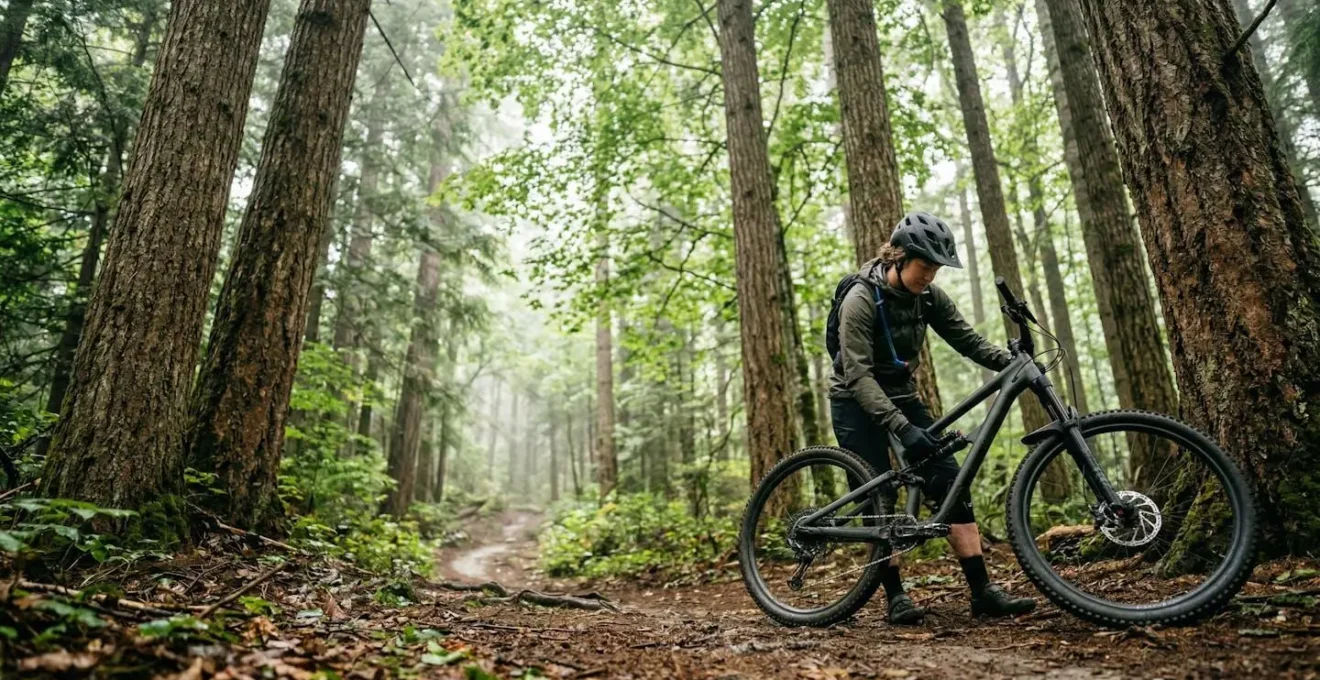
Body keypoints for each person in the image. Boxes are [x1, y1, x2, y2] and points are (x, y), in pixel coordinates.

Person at [828, 210, 1037, 625]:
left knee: (949, 479)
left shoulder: (929, 297)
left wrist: (1013, 362)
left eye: (936, 269)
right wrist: (903, 429)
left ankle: (982, 592)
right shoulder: (860, 299)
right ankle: (895, 597)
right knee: (878, 496)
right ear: (899, 257)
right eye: (925, 266)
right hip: (855, 398)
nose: (930, 276)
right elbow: (857, 374)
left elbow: (967, 341)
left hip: (902, 394)